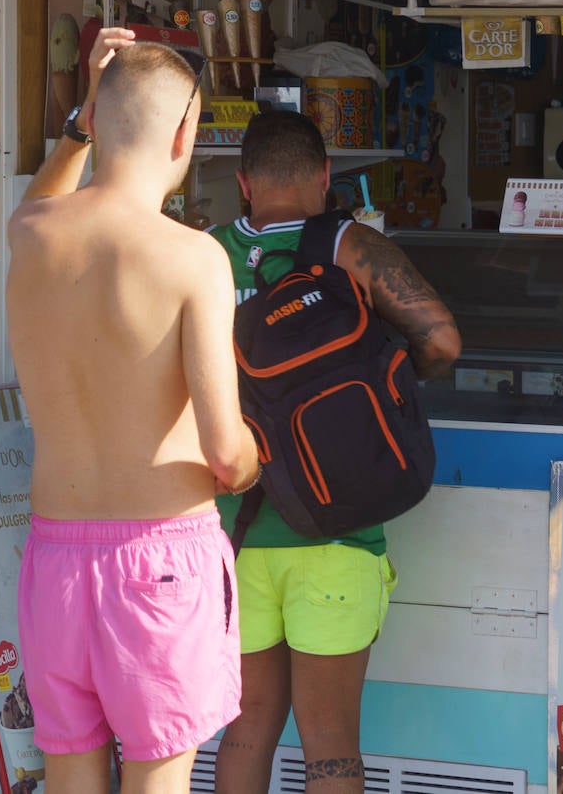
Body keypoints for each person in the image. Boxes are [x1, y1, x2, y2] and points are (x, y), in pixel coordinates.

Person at [7, 27, 261, 793]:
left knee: (70, 775)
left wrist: (82, 119)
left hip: (54, 558)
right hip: (159, 562)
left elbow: (42, 198)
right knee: (158, 780)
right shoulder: (192, 257)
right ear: (187, 132)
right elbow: (224, 454)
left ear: (95, 116)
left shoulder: (31, 237)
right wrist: (255, 459)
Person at [212, 109, 461, 794]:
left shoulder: (202, 256)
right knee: (328, 740)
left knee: (245, 726)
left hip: (233, 532)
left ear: (243, 185)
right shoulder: (349, 246)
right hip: (338, 527)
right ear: (325, 177)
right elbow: (442, 342)